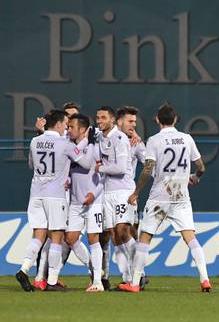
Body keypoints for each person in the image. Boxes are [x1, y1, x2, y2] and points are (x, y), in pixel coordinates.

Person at [127, 103, 210, 293]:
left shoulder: (154, 140)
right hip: (180, 197)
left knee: (145, 237)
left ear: (157, 120)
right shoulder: (187, 139)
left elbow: (148, 169)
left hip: (159, 197)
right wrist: (196, 178)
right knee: (190, 238)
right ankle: (205, 279)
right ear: (175, 119)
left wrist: (136, 192)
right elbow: (201, 166)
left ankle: (134, 283)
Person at [15, 110, 91, 291]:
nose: (67, 127)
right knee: (57, 237)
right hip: (55, 195)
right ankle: (52, 281)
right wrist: (86, 139)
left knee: (38, 235)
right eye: (65, 123)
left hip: (36, 194)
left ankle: (24, 269)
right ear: (57, 124)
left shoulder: (35, 141)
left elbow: (31, 165)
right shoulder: (64, 143)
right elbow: (86, 164)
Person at [95, 106, 137, 289]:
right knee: (113, 236)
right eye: (97, 117)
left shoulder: (119, 138)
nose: (99, 120)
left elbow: (120, 169)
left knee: (123, 230)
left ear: (112, 120)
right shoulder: (99, 136)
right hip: (107, 192)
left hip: (122, 191)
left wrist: (100, 169)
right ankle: (128, 277)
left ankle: (138, 273)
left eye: (103, 117)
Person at [62, 114, 105, 292]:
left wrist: (94, 194)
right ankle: (95, 269)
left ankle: (97, 282)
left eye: (71, 127)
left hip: (93, 200)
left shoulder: (95, 148)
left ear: (82, 129)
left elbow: (103, 176)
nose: (68, 130)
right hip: (75, 201)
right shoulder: (69, 147)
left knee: (93, 238)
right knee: (70, 238)